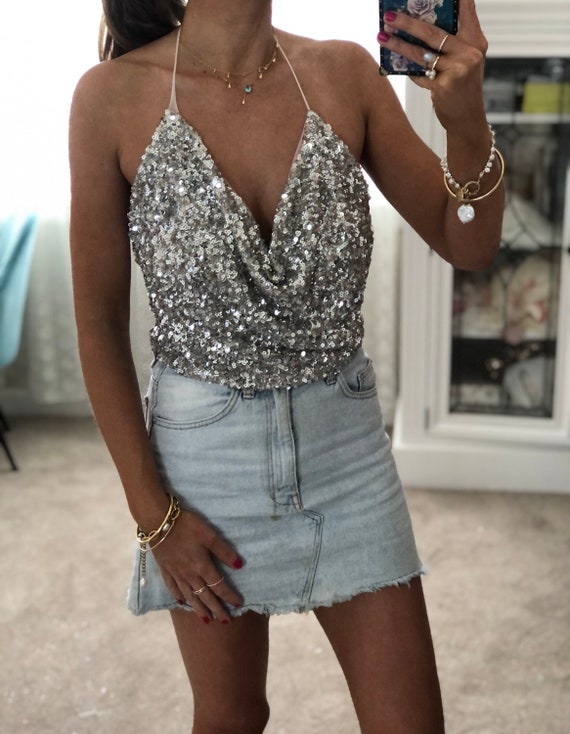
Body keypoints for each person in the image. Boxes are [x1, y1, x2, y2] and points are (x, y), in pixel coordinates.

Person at [69, 0, 503, 731]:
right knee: (232, 716)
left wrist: (466, 124)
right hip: (202, 470)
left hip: (348, 457)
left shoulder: (345, 73)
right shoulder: (110, 96)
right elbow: (98, 325)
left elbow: (469, 244)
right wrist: (154, 518)